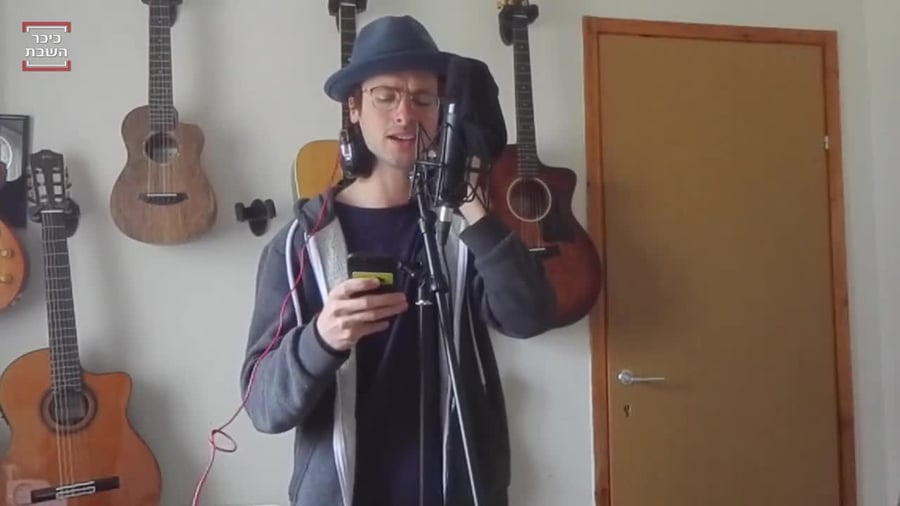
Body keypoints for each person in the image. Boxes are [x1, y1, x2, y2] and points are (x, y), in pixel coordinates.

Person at [240, 14, 557, 506]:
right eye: (386, 96)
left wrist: (472, 202)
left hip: (461, 493)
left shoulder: (462, 231)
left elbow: (530, 316)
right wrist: (322, 338)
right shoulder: (299, 245)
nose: (406, 115)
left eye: (423, 99)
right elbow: (263, 406)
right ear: (354, 107)